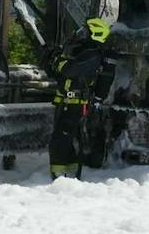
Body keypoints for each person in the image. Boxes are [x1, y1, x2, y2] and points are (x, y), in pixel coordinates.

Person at [48, 16, 118, 179]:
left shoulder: (91, 55)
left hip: (74, 104)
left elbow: (69, 70)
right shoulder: (85, 53)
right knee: (67, 139)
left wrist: (57, 60)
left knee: (61, 140)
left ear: (95, 34)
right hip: (69, 102)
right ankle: (71, 173)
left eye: (85, 31)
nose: (80, 34)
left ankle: (60, 176)